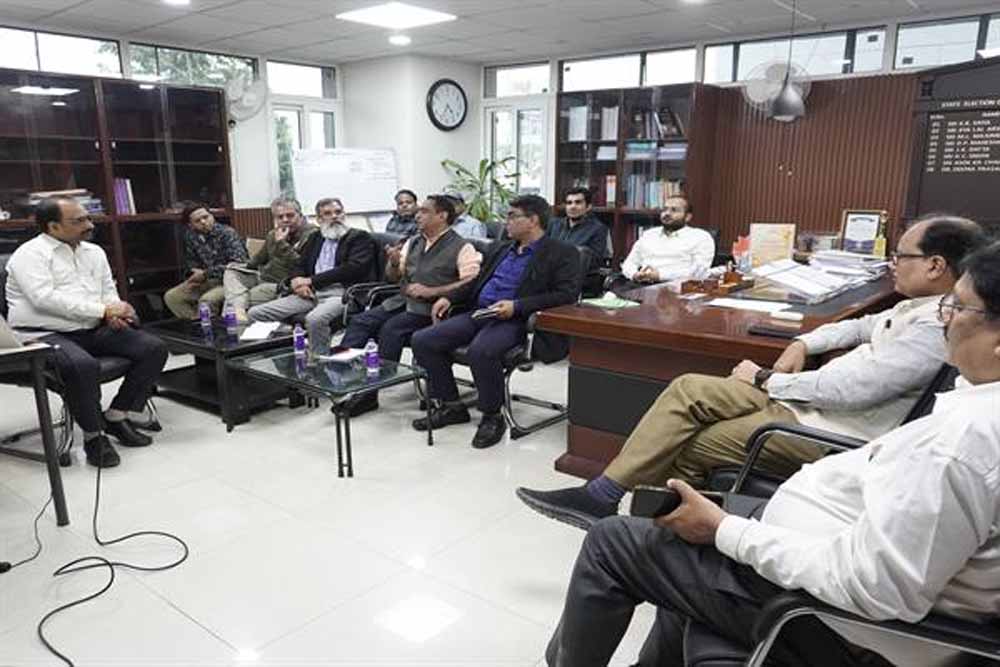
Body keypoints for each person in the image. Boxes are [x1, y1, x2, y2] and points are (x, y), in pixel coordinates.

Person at [543, 240, 1000, 667]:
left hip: (829, 619)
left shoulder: (962, 442)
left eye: (959, 307)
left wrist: (726, 531)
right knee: (684, 446)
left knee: (612, 542)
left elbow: (877, 587)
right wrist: (802, 343)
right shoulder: (971, 402)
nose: (946, 318)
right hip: (820, 549)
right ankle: (608, 497)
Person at [518, 214, 985, 529]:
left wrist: (767, 379)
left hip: (827, 426)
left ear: (935, 265)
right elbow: (860, 327)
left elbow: (853, 390)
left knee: (692, 443)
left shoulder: (937, 324)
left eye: (901, 256)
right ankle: (601, 497)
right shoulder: (920, 306)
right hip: (805, 402)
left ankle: (649, 540)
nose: (893, 263)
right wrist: (804, 341)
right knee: (688, 389)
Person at [5, 197, 169, 468]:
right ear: (53, 227)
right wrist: (102, 311)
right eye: (79, 220)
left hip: (91, 327)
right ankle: (94, 436)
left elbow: (107, 289)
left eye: (88, 218)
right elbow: (44, 299)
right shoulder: (29, 255)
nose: (89, 225)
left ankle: (116, 415)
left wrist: (114, 312)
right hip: (42, 333)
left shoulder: (94, 252)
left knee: (154, 348)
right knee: (82, 366)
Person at [410, 194, 582, 448]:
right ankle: (451, 406)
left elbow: (565, 295)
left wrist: (517, 306)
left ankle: (492, 416)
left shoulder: (561, 253)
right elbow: (475, 283)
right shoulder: (502, 249)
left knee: (482, 351)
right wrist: (449, 297)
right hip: (480, 313)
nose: (505, 222)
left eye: (512, 216)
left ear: (533, 220)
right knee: (423, 340)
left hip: (517, 320)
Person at [340, 194, 481, 414]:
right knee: (360, 322)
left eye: (424, 211)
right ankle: (341, 378)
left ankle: (370, 393)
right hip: (402, 301)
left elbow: (471, 283)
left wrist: (433, 291)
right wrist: (394, 263)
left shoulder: (462, 247)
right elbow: (393, 278)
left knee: (390, 329)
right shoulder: (414, 241)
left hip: (431, 309)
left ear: (442, 216)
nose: (417, 215)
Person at [247, 198, 376, 356]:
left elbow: (352, 269)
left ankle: (318, 361)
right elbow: (299, 264)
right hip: (310, 293)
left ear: (344, 214)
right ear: (319, 219)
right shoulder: (316, 237)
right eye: (327, 213)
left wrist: (310, 280)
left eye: (338, 212)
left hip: (342, 294)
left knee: (315, 319)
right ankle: (282, 357)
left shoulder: (359, 237)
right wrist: (298, 283)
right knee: (256, 313)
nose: (334, 216)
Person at [222, 196, 317, 322]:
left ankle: (236, 315)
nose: (285, 220)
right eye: (280, 217)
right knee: (231, 271)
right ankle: (238, 311)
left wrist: (282, 244)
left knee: (238, 298)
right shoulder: (273, 234)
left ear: (300, 215)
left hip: (284, 283)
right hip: (264, 276)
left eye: (290, 216)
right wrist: (240, 266)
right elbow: (259, 259)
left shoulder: (312, 235)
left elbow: (300, 265)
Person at [164, 203, 248, 319]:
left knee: (206, 301)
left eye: (205, 217)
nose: (203, 222)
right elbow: (191, 261)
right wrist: (192, 275)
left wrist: (205, 274)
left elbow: (238, 265)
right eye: (197, 221)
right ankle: (197, 322)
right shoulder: (191, 236)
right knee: (172, 297)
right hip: (206, 280)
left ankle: (207, 324)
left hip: (231, 281)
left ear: (212, 216)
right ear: (190, 225)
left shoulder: (227, 233)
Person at [620, 195, 714, 283]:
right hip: (640, 285)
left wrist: (660, 275)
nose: (667, 213)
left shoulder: (700, 237)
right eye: (665, 209)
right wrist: (634, 274)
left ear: (687, 217)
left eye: (674, 210)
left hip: (676, 287)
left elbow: (699, 272)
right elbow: (629, 263)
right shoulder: (649, 235)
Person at [546, 187, 608, 269]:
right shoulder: (554, 224)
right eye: (569, 203)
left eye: (578, 202)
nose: (572, 206)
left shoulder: (598, 229)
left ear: (588, 207)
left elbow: (595, 260)